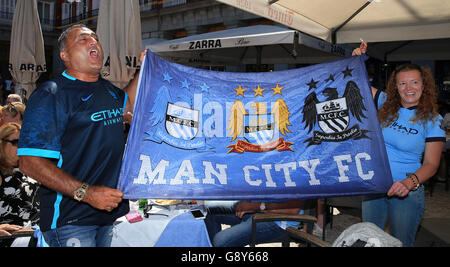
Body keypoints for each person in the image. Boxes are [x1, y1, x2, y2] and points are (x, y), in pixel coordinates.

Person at [17, 24, 144, 247]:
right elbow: (29, 162)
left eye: (95, 38)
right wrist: (88, 194)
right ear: (64, 55)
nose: (93, 42)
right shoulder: (51, 94)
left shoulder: (109, 90)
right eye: (83, 39)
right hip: (70, 220)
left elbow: (128, 107)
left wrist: (144, 70)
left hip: (109, 216)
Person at [353, 42, 446, 246]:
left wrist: (408, 183)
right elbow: (356, 83)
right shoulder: (385, 103)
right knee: (369, 239)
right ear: (396, 87)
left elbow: (431, 164)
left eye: (414, 82)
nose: (408, 88)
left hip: (407, 191)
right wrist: (356, 60)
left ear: (424, 85)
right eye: (402, 83)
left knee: (400, 242)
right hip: (375, 186)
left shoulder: (433, 120)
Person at [0, 123, 40, 247]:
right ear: (1, 143)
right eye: (16, 142)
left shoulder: (30, 167)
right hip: (15, 237)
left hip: (39, 233)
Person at [204, 199, 303, 247]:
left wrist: (253, 206)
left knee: (220, 241)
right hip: (256, 206)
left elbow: (292, 209)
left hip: (279, 221)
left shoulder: (294, 165)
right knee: (209, 209)